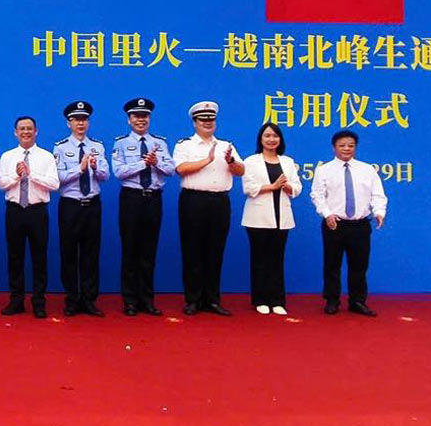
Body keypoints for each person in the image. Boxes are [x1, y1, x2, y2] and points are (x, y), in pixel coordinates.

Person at [173, 101, 243, 316]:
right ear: (194, 122)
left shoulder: (226, 145)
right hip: (193, 201)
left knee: (215, 251)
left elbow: (240, 171)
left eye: (211, 119)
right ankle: (193, 299)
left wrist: (231, 161)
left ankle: (212, 299)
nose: (207, 123)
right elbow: (181, 169)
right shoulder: (185, 145)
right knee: (192, 250)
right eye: (203, 120)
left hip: (219, 202)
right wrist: (207, 160)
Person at [310, 129, 387, 317]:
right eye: (342, 145)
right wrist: (327, 214)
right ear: (334, 147)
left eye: (350, 146)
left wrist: (379, 212)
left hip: (360, 224)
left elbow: (378, 194)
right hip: (334, 223)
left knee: (359, 265)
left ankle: (357, 301)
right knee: (332, 264)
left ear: (356, 147)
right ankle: (332, 300)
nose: (346, 149)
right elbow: (317, 195)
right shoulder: (324, 170)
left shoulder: (367, 170)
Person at [111, 98, 175, 316]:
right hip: (131, 199)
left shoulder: (160, 143)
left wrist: (156, 162)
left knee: (149, 250)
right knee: (130, 249)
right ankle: (129, 300)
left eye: (144, 116)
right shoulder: (120, 143)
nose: (141, 120)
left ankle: (147, 299)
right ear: (129, 120)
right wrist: (143, 163)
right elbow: (118, 172)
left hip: (153, 199)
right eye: (136, 116)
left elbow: (170, 169)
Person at [0, 116, 60, 318]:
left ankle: (39, 302)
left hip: (37, 211)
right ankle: (16, 300)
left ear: (36, 131)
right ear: (15, 132)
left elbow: (54, 184)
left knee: (39, 257)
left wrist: (31, 175)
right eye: (22, 129)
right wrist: (17, 176)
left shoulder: (46, 156)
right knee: (15, 257)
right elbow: (1, 184)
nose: (26, 132)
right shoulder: (7, 156)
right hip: (15, 210)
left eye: (29, 128)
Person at [53, 100, 108, 317]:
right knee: (69, 253)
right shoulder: (60, 147)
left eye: (84, 119)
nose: (80, 123)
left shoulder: (98, 146)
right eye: (76, 120)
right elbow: (59, 179)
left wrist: (94, 168)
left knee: (90, 253)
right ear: (69, 123)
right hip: (70, 205)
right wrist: (80, 168)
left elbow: (105, 176)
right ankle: (72, 299)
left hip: (92, 205)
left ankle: (89, 298)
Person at [240, 122, 302, 316]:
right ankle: (260, 299)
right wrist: (273, 186)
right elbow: (248, 188)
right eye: (267, 136)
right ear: (260, 139)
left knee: (277, 259)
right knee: (260, 259)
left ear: (280, 139)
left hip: (281, 217)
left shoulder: (288, 162)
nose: (271, 139)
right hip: (257, 217)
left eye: (275, 136)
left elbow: (297, 187)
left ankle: (277, 300)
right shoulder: (250, 161)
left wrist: (286, 187)